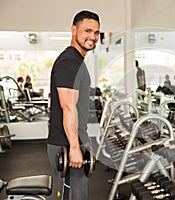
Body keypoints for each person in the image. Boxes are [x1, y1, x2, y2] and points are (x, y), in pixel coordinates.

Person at [47, 10, 100, 200]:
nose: (92, 37)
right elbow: (67, 107)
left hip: (72, 142)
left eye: (96, 33)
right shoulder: (69, 62)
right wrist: (75, 148)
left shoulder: (77, 61)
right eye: (87, 31)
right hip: (67, 146)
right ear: (73, 30)